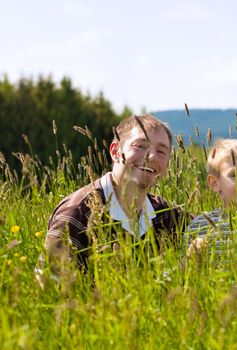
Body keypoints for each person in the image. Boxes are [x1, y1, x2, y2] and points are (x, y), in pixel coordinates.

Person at [37, 114, 190, 282]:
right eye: (140, 146)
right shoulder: (77, 214)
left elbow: (213, 227)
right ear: (115, 151)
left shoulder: (165, 214)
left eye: (161, 151)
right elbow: (49, 290)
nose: (152, 156)